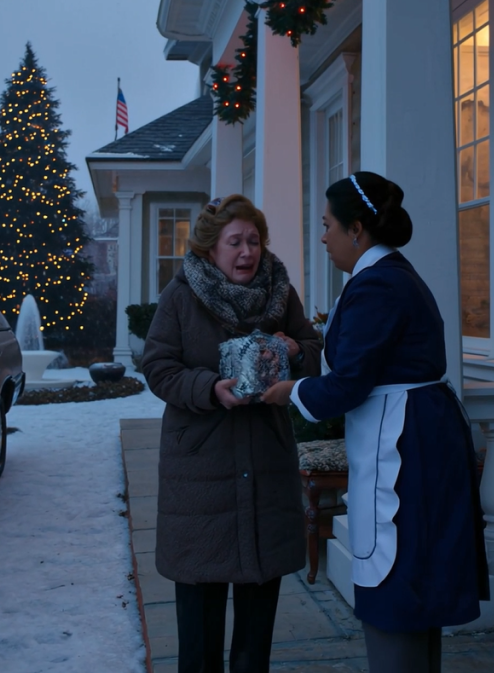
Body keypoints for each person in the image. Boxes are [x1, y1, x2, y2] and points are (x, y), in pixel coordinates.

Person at [262, 172, 488, 673]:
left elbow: (348, 384)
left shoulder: (377, 285)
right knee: (417, 571)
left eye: (327, 226)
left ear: (357, 229)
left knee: (399, 572)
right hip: (420, 431)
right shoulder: (392, 275)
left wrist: (287, 391)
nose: (322, 237)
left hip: (406, 442)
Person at [142, 194, 322, 673]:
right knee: (199, 628)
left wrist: (295, 350)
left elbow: (313, 347)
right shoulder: (181, 295)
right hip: (201, 471)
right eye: (235, 242)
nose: (247, 252)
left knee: (257, 624)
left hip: (265, 462)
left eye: (254, 241)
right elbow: (157, 367)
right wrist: (209, 389)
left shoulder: (280, 293)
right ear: (210, 249)